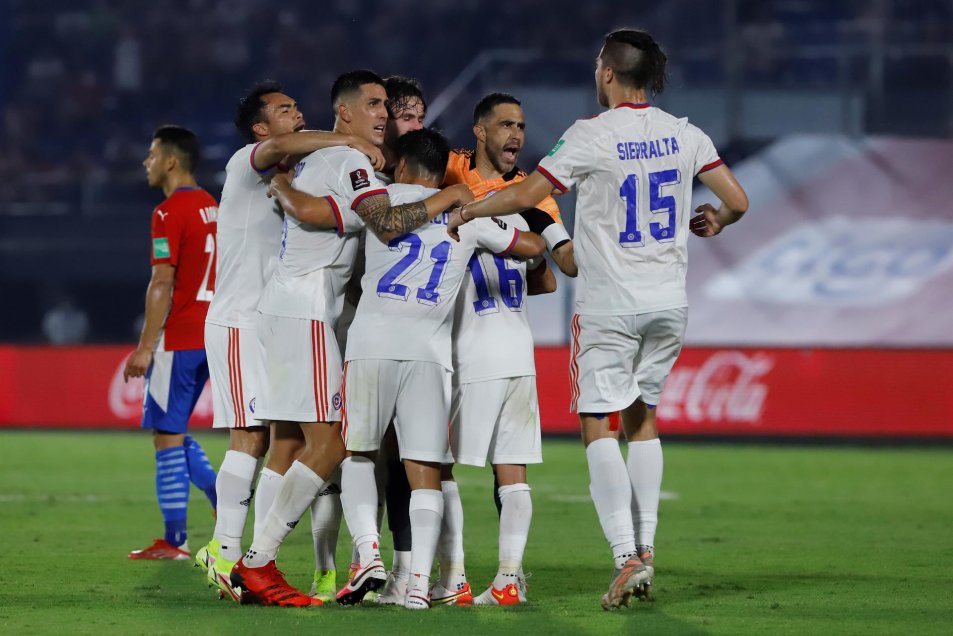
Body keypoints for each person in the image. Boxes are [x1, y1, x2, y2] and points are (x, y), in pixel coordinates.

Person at [447, 28, 749, 609]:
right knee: (644, 420)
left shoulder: (590, 135)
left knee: (597, 424)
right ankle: (649, 548)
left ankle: (624, 554)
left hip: (610, 302)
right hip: (669, 301)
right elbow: (736, 200)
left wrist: (472, 207)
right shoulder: (685, 134)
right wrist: (717, 220)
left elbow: (526, 193)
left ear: (607, 72)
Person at [228, 70, 472, 607]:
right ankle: (256, 562)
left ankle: (261, 560)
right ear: (344, 112)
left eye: (387, 105)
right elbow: (386, 225)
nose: (384, 113)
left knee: (301, 444)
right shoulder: (351, 161)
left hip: (289, 309)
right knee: (336, 443)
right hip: (308, 313)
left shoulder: (320, 161)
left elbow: (318, 212)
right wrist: (451, 193)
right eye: (374, 104)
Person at [339, 127, 544, 610]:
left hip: (370, 343)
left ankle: (369, 551)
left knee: (360, 454)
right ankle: (418, 588)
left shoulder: (380, 197)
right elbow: (530, 249)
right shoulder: (467, 216)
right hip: (430, 353)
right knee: (426, 469)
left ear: (404, 166)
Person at [197, 80, 385, 602]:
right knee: (251, 437)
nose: (296, 114)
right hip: (240, 318)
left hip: (275, 318)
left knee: (285, 440)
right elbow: (282, 150)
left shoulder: (295, 174)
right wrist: (349, 142)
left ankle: (255, 558)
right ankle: (227, 551)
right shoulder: (248, 161)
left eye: (297, 106)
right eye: (284, 110)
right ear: (261, 128)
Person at [124, 125, 220, 561]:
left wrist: (145, 347)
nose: (146, 162)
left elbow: (162, 281)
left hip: (179, 336)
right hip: (213, 334)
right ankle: (225, 500)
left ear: (170, 161)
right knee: (174, 430)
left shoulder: (168, 211)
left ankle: (174, 540)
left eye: (150, 154)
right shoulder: (213, 207)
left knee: (165, 437)